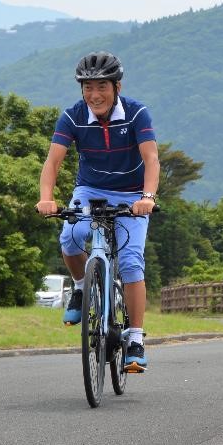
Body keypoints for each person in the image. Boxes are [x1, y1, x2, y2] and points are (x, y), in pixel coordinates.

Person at [35, 51, 159, 373]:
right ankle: (80, 287)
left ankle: (135, 338)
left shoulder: (136, 114)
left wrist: (147, 197)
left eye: (101, 86)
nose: (94, 95)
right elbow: (53, 162)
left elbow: (152, 160)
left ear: (117, 86)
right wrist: (46, 197)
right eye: (87, 88)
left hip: (133, 195)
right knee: (70, 239)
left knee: (131, 261)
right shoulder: (73, 116)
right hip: (89, 192)